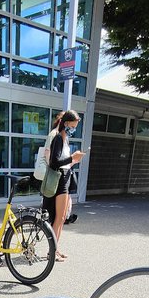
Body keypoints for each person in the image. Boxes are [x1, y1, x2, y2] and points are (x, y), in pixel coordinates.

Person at [42, 110, 86, 261]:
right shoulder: (58, 138)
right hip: (60, 180)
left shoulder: (64, 139)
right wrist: (72, 158)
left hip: (65, 178)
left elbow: (63, 162)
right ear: (66, 123)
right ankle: (51, 252)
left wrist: (74, 160)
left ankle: (55, 249)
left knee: (61, 218)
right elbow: (54, 162)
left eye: (75, 127)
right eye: (72, 126)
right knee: (58, 217)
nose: (73, 129)